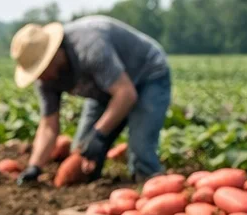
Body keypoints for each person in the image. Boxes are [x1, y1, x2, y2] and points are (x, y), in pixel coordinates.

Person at [10, 17, 171, 185]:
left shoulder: (90, 47)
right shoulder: (45, 79)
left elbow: (126, 94)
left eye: (42, 68)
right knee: (82, 153)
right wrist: (34, 167)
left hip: (147, 75)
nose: (40, 77)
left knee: (141, 152)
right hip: (105, 90)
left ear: (55, 54)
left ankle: (149, 184)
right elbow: (49, 126)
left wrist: (99, 134)